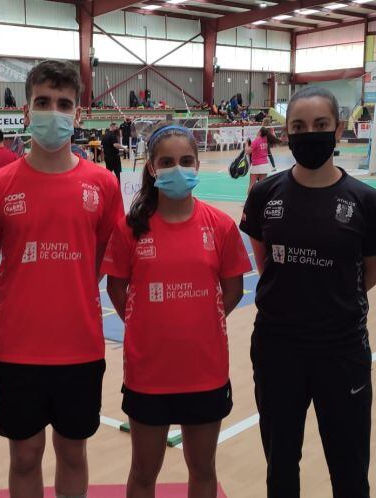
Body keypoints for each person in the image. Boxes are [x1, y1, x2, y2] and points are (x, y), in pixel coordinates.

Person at [0, 59, 122, 498]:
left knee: (73, 452)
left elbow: (101, 255)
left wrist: (71, 291)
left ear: (77, 114)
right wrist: (9, 302)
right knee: (24, 456)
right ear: (26, 110)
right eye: (43, 102)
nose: (53, 111)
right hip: (18, 347)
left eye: (63, 103)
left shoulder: (102, 185)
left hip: (80, 344)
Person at [240, 86, 376, 498]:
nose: (310, 133)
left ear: (338, 130)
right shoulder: (263, 195)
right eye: (299, 126)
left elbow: (371, 271)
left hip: (341, 351)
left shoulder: (368, 201)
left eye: (320, 125)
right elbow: (265, 262)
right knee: (281, 466)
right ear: (286, 133)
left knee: (348, 469)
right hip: (277, 350)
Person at [103, 123, 249, 498]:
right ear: (151, 168)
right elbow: (116, 287)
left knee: (203, 470)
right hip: (148, 374)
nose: (177, 168)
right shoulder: (131, 228)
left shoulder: (219, 226)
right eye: (166, 162)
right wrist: (145, 323)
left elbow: (233, 289)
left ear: (198, 164)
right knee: (143, 473)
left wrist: (200, 318)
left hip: (205, 371)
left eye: (186, 160)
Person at [246, 127, 272, 191]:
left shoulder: (256, 141)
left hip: (256, 165)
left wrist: (246, 143)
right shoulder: (266, 140)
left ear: (260, 132)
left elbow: (247, 151)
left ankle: (250, 200)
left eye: (258, 131)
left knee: (252, 184)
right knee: (262, 185)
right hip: (265, 165)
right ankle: (261, 200)